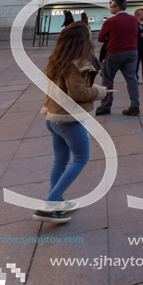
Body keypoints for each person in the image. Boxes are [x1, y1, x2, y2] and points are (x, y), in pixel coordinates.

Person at [34, 21, 107, 224]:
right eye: (89, 35)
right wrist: (100, 92)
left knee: (60, 161)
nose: (91, 37)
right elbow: (78, 92)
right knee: (82, 158)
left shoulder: (57, 60)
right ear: (82, 40)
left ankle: (56, 202)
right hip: (68, 119)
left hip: (53, 118)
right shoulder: (77, 62)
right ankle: (48, 205)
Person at [95, 0, 140, 117]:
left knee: (108, 80)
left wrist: (110, 38)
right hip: (132, 52)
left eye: (111, 6)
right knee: (132, 80)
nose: (110, 8)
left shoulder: (110, 21)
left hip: (114, 53)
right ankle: (135, 106)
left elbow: (100, 38)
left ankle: (106, 106)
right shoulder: (134, 19)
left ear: (117, 8)